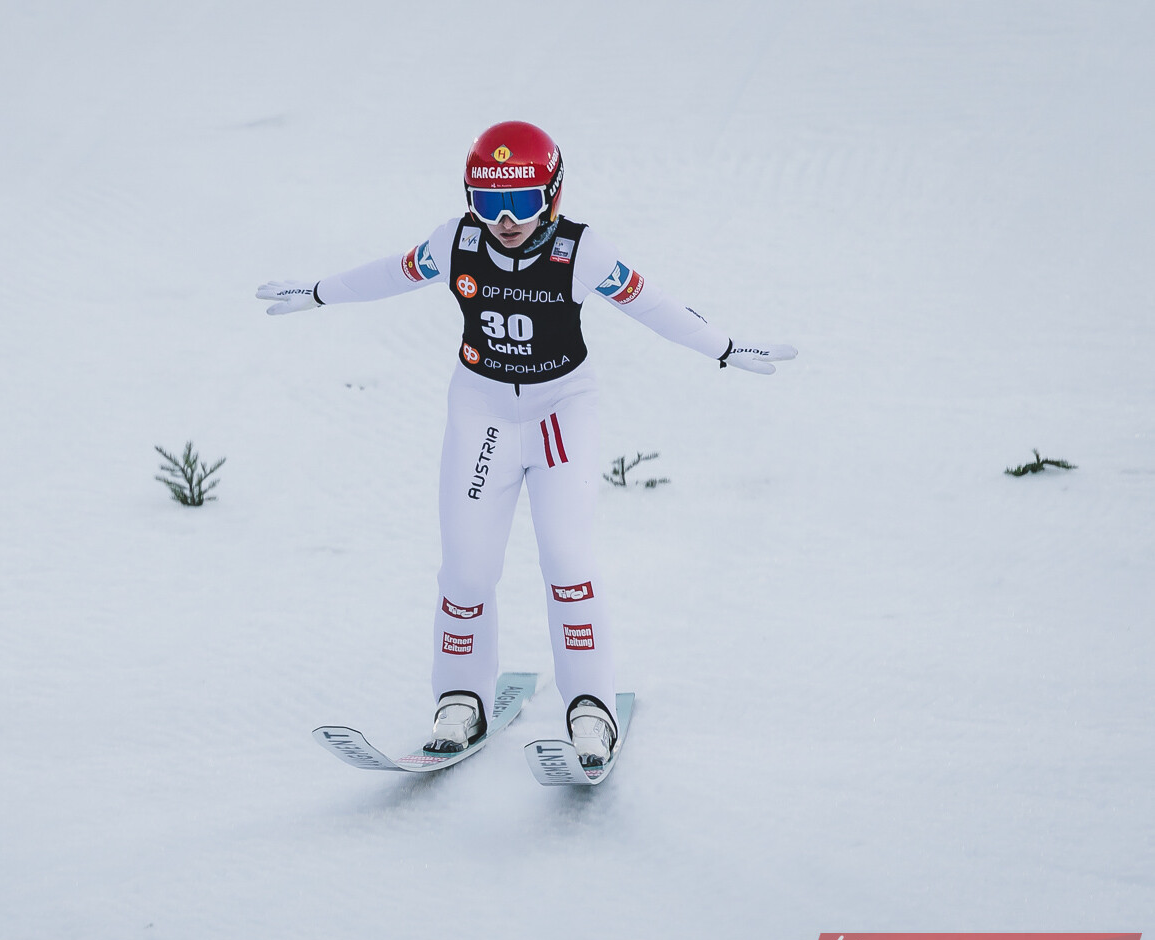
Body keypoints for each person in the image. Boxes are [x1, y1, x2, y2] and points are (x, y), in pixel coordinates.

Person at [257, 121, 795, 765]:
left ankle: (590, 706)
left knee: (568, 562)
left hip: (559, 413)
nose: (505, 220)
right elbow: (391, 273)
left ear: (553, 195)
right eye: (489, 203)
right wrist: (320, 292)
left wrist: (724, 347)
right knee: (466, 567)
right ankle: (460, 698)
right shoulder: (455, 242)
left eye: (521, 201)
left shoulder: (580, 252)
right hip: (481, 413)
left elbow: (655, 306)